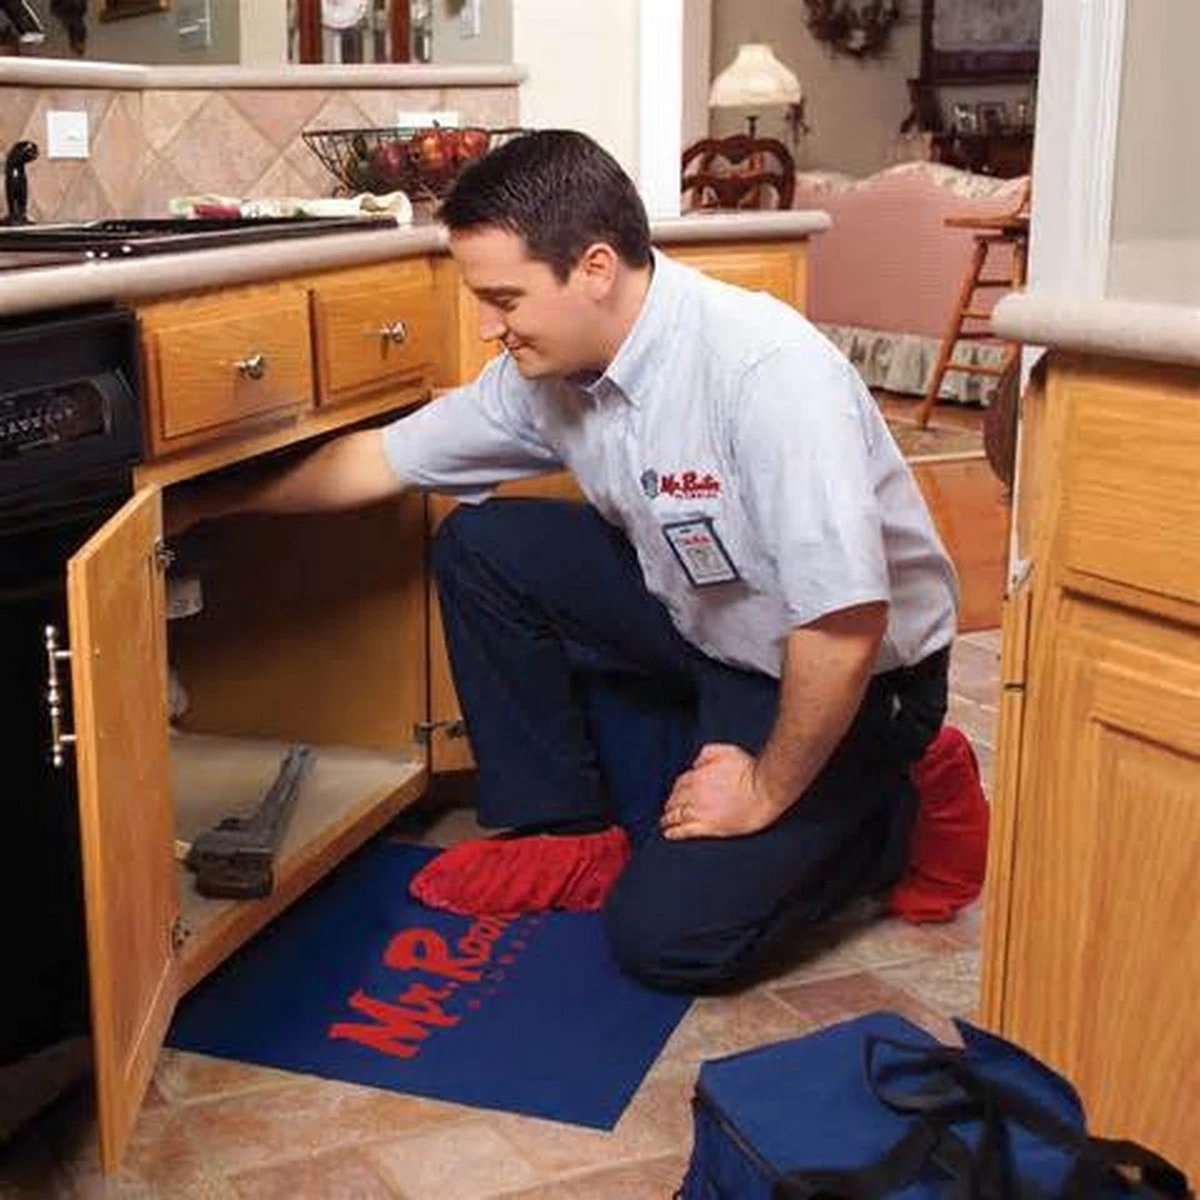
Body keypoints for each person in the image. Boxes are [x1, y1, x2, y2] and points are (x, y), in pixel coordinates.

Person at [168, 129, 986, 994]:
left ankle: (899, 807)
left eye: (504, 298)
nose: (489, 327)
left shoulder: (764, 372)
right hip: (706, 622)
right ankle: (561, 830)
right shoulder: (548, 370)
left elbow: (843, 623)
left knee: (667, 937)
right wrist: (191, 502)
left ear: (595, 268)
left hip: (849, 673)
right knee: (485, 546)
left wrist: (765, 789)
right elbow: (378, 462)